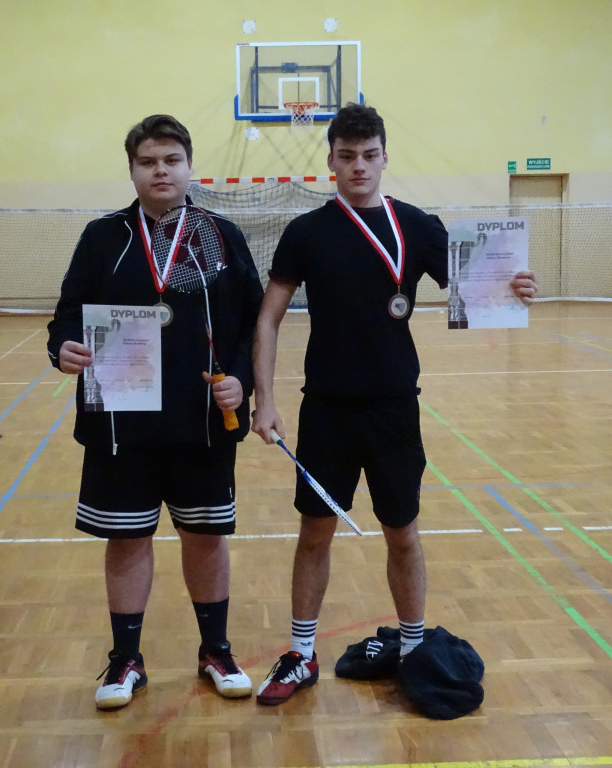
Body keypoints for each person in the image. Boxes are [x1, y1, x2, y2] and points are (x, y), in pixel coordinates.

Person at [250, 103, 537, 706]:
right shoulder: (306, 232)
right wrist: (265, 401)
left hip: (394, 408)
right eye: (347, 156)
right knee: (314, 533)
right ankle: (301, 653)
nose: (359, 166)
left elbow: (476, 287)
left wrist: (514, 287)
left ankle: (411, 649)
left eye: (369, 155)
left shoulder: (418, 226)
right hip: (325, 408)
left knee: (402, 532)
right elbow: (268, 318)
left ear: (385, 157)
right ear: (330, 161)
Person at [47, 114, 264, 710]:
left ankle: (216, 650)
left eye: (171, 160)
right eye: (148, 162)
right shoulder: (103, 237)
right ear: (132, 170)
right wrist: (61, 347)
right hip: (121, 421)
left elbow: (253, 324)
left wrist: (241, 380)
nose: (160, 171)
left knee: (206, 536)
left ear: (190, 167)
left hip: (202, 421)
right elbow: (67, 314)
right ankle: (126, 660)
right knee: (126, 539)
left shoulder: (220, 236)